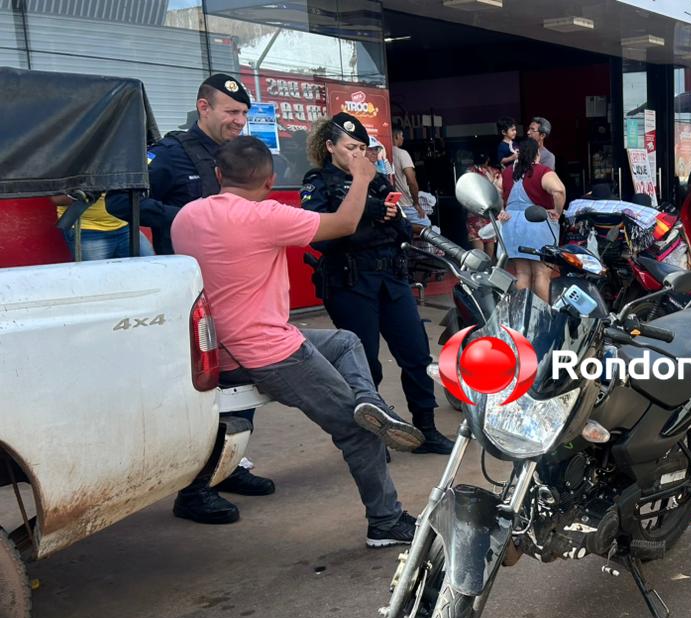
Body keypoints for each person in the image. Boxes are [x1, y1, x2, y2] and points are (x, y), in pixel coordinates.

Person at [172, 136, 422, 546]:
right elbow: (342, 224)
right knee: (359, 433)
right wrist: (362, 177)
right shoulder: (265, 216)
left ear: (218, 175)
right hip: (270, 352)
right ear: (270, 182)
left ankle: (369, 402)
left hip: (223, 346)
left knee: (345, 341)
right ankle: (386, 521)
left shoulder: (187, 216)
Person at [105, 73, 274, 523]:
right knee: (208, 387)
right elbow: (120, 204)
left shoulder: (235, 155)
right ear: (204, 108)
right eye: (230, 113)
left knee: (242, 379)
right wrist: (185, 214)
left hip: (235, 286)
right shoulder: (170, 154)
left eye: (243, 113)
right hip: (190, 290)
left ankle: (228, 465)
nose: (240, 121)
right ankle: (195, 490)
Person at [301, 113, 454, 455]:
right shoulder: (319, 182)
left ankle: (425, 428)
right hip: (351, 282)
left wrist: (370, 218)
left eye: (361, 148)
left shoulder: (377, 180)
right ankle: (371, 437)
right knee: (364, 364)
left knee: (416, 354)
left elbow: (401, 227)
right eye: (350, 147)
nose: (358, 154)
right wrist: (369, 215)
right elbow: (322, 238)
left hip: (391, 279)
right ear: (330, 147)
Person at [499, 137, 566, 302]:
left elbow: (497, 193)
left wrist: (502, 210)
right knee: (542, 274)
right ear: (537, 153)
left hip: (512, 226)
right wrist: (557, 211)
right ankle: (544, 318)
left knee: (522, 274)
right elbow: (559, 190)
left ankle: (522, 315)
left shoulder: (507, 172)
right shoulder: (543, 171)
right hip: (537, 224)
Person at [52, 194, 154, 260]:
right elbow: (57, 198)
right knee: (95, 282)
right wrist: (91, 188)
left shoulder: (121, 160)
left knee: (151, 269)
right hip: (87, 230)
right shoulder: (66, 160)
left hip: (126, 226)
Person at [465, 148, 503, 255]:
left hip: (478, 212)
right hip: (486, 213)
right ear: (488, 159)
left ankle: (483, 271)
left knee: (480, 252)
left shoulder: (469, 171)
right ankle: (488, 270)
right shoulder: (494, 172)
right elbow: (499, 191)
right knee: (488, 248)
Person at [390, 126, 428, 229]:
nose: (403, 138)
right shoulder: (402, 153)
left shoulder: (384, 152)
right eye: (402, 136)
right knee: (426, 227)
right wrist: (416, 204)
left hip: (393, 204)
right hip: (406, 203)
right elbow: (411, 181)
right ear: (396, 136)